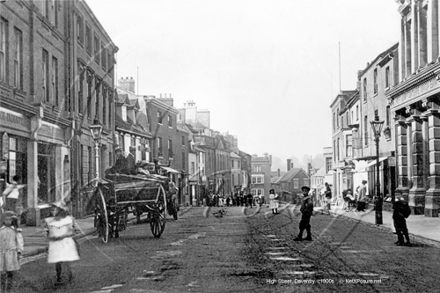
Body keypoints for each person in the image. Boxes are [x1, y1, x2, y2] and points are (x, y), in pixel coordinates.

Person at [45, 201, 80, 287]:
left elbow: (72, 232)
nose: (53, 211)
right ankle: (59, 277)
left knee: (67, 261)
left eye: (55, 210)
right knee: (58, 262)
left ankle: (70, 277)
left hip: (66, 243)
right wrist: (50, 237)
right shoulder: (49, 221)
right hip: (55, 244)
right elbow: (47, 233)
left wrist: (62, 236)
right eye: (52, 210)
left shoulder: (68, 220)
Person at [0, 211, 24, 292]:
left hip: (11, 253)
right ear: (3, 220)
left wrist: (19, 252)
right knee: (2, 272)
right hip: (2, 253)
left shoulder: (15, 231)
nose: (8, 221)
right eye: (6, 220)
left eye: (9, 220)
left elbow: (19, 241)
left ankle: (9, 289)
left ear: (12, 220)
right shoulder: (1, 230)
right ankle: (2, 289)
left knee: (10, 272)